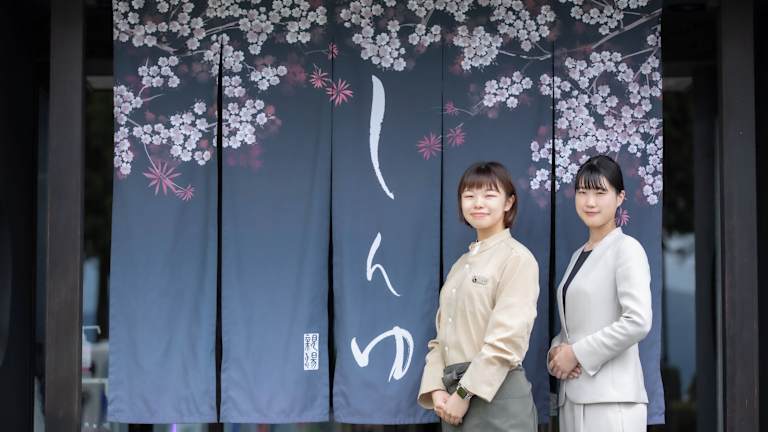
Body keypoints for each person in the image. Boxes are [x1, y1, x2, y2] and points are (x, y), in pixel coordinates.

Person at [417, 161, 539, 431]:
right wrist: (436, 389)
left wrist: (463, 393)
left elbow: (507, 340)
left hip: (497, 399)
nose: (478, 203)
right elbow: (440, 339)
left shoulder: (517, 259)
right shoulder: (460, 265)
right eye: (469, 195)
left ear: (509, 202)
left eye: (489, 195)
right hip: (453, 402)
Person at [548, 154, 652, 431]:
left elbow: (638, 321)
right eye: (582, 192)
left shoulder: (627, 249)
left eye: (600, 192)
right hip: (573, 396)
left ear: (620, 197)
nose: (590, 202)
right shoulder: (577, 255)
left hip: (611, 401)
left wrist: (577, 353)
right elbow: (576, 325)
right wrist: (557, 352)